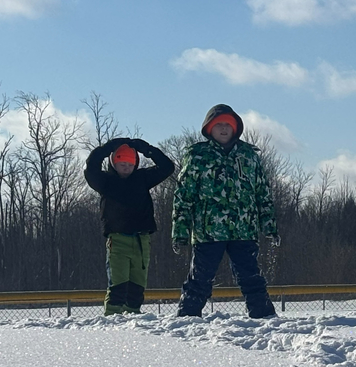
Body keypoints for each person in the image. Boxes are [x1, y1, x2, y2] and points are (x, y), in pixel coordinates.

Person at [171, 104, 279, 319]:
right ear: (209, 128)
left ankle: (264, 317)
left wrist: (269, 225)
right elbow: (183, 195)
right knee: (200, 278)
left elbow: (262, 193)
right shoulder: (197, 156)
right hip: (208, 230)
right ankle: (187, 318)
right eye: (218, 124)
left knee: (251, 276)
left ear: (235, 128)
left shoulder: (249, 156)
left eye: (227, 125)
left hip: (244, 229)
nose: (223, 129)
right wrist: (180, 231)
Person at [84, 137, 175, 316]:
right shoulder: (105, 181)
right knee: (118, 285)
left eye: (130, 164)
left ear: (136, 164)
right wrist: (107, 148)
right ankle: (112, 316)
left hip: (142, 240)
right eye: (122, 164)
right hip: (118, 240)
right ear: (113, 164)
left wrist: (147, 149)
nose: (126, 168)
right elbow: (91, 167)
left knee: (137, 286)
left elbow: (167, 167)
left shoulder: (142, 178)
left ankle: (134, 317)